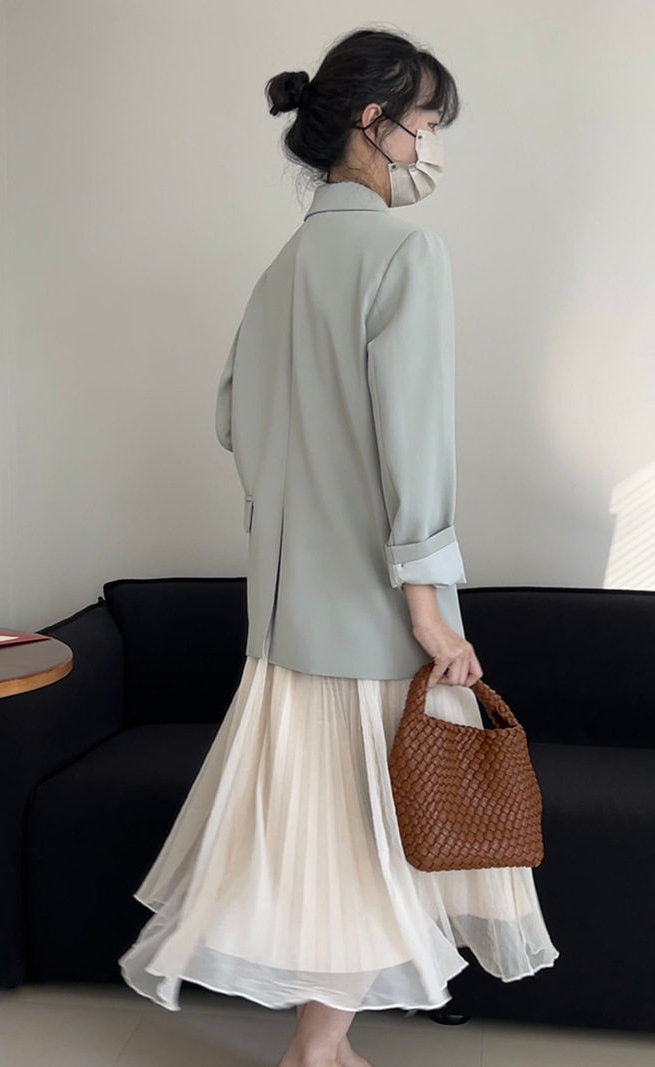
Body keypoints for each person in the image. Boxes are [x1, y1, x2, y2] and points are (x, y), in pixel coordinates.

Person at [119, 26, 559, 1067]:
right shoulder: (405, 252)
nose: (431, 144)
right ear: (375, 121)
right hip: (376, 615)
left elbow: (234, 422)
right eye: (427, 122)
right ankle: (318, 1049)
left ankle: (320, 1045)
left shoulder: (278, 272)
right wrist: (427, 610)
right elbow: (415, 444)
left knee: (323, 841)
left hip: (281, 620)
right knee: (379, 839)